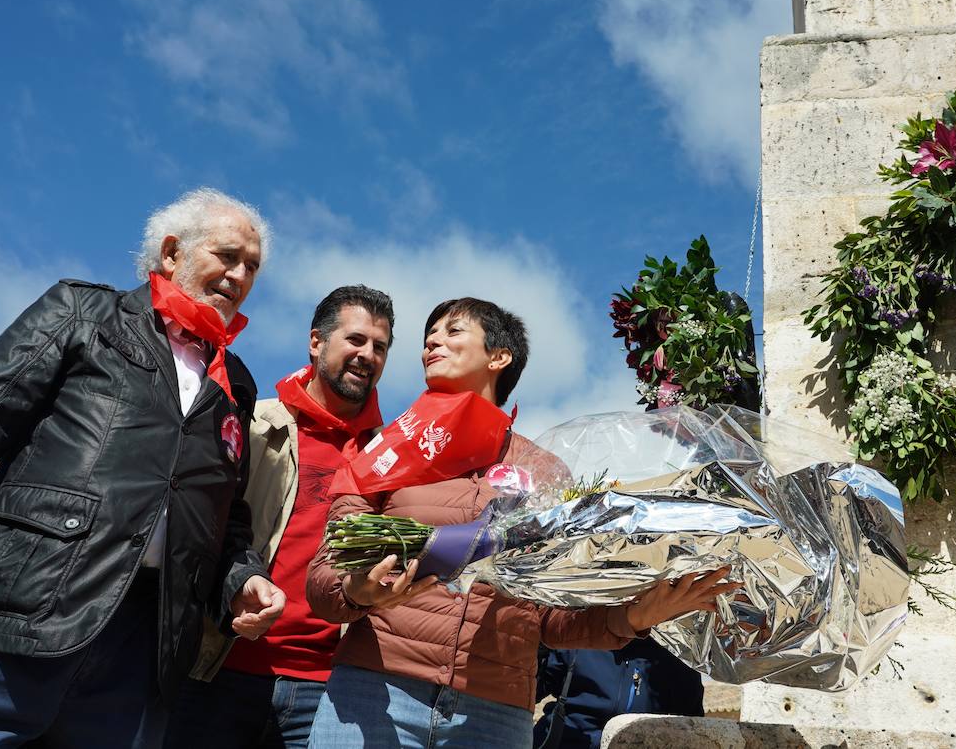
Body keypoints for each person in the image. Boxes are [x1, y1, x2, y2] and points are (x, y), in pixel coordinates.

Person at [0, 188, 286, 748]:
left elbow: (225, 514)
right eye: (227, 256)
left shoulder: (235, 380)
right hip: (15, 615)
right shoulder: (83, 313)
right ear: (170, 253)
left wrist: (243, 577)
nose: (239, 275)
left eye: (252, 266)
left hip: (144, 649)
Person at [306, 297, 738, 748]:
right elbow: (323, 578)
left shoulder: (546, 473)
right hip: (376, 696)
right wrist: (356, 592)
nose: (431, 341)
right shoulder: (383, 451)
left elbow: (551, 620)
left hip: (494, 715)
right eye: (428, 336)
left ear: (499, 356)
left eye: (453, 331)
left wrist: (632, 617)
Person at [165, 285, 395, 748]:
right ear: (316, 342)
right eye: (355, 339)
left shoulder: (392, 456)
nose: (367, 354)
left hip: (331, 691)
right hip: (219, 668)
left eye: (380, 347)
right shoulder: (247, 423)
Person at [532, 641, 704, 748]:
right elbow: (530, 691)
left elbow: (691, 730)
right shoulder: (580, 636)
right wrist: (536, 646)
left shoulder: (676, 660)